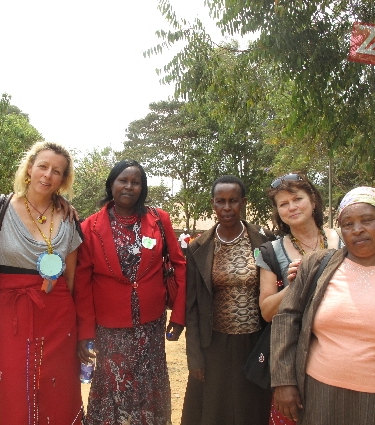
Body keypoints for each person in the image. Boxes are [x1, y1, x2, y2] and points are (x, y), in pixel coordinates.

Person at [271, 186, 375, 424]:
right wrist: (284, 381)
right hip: (320, 396)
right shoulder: (317, 264)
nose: (357, 230)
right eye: (348, 224)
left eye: (367, 220)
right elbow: (286, 318)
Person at [0, 141, 84, 425]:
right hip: (11, 309)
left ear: (63, 180)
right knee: (15, 382)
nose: (48, 175)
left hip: (58, 311)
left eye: (57, 171)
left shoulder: (69, 217)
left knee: (59, 384)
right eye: (43, 166)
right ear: (29, 169)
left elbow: (71, 277)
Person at [74, 159, 186, 425]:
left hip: (151, 327)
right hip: (110, 330)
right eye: (123, 180)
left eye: (136, 182)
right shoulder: (90, 227)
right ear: (111, 185)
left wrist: (179, 316)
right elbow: (82, 283)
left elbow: (180, 265)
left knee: (150, 386)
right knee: (114, 388)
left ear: (142, 188)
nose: (129, 186)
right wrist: (85, 333)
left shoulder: (159, 220)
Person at [181, 175, 274, 425]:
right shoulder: (199, 248)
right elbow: (192, 306)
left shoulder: (263, 241)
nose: (227, 207)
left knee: (250, 408)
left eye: (233, 201)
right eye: (220, 201)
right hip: (214, 344)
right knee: (215, 409)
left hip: (254, 342)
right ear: (213, 204)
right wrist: (195, 358)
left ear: (243, 202)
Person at [255, 173, 343, 424]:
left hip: (342, 349)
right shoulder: (270, 252)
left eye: (297, 199)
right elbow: (267, 312)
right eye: (283, 204)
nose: (292, 207)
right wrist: (294, 285)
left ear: (313, 201)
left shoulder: (344, 240)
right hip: (294, 357)